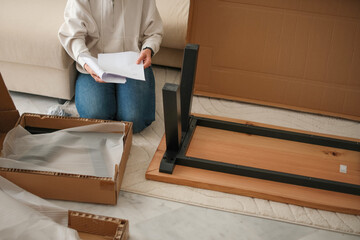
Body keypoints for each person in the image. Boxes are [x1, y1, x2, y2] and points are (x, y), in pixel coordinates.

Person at [58, 0, 163, 133]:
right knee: (96, 118)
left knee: (134, 121)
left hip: (133, 62)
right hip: (95, 62)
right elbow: (72, 34)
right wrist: (86, 63)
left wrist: (149, 49)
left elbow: (153, 32)